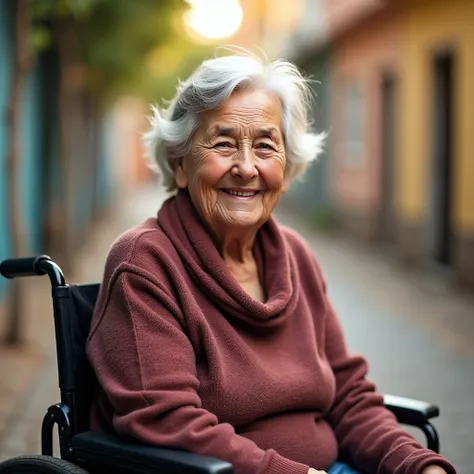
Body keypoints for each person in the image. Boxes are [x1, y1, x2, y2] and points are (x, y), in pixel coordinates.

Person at [86, 50, 456, 474]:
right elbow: (166, 421)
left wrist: (415, 464)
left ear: (287, 163)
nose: (246, 167)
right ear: (180, 164)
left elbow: (348, 396)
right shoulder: (146, 262)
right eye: (223, 143)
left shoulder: (295, 255)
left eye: (265, 146)